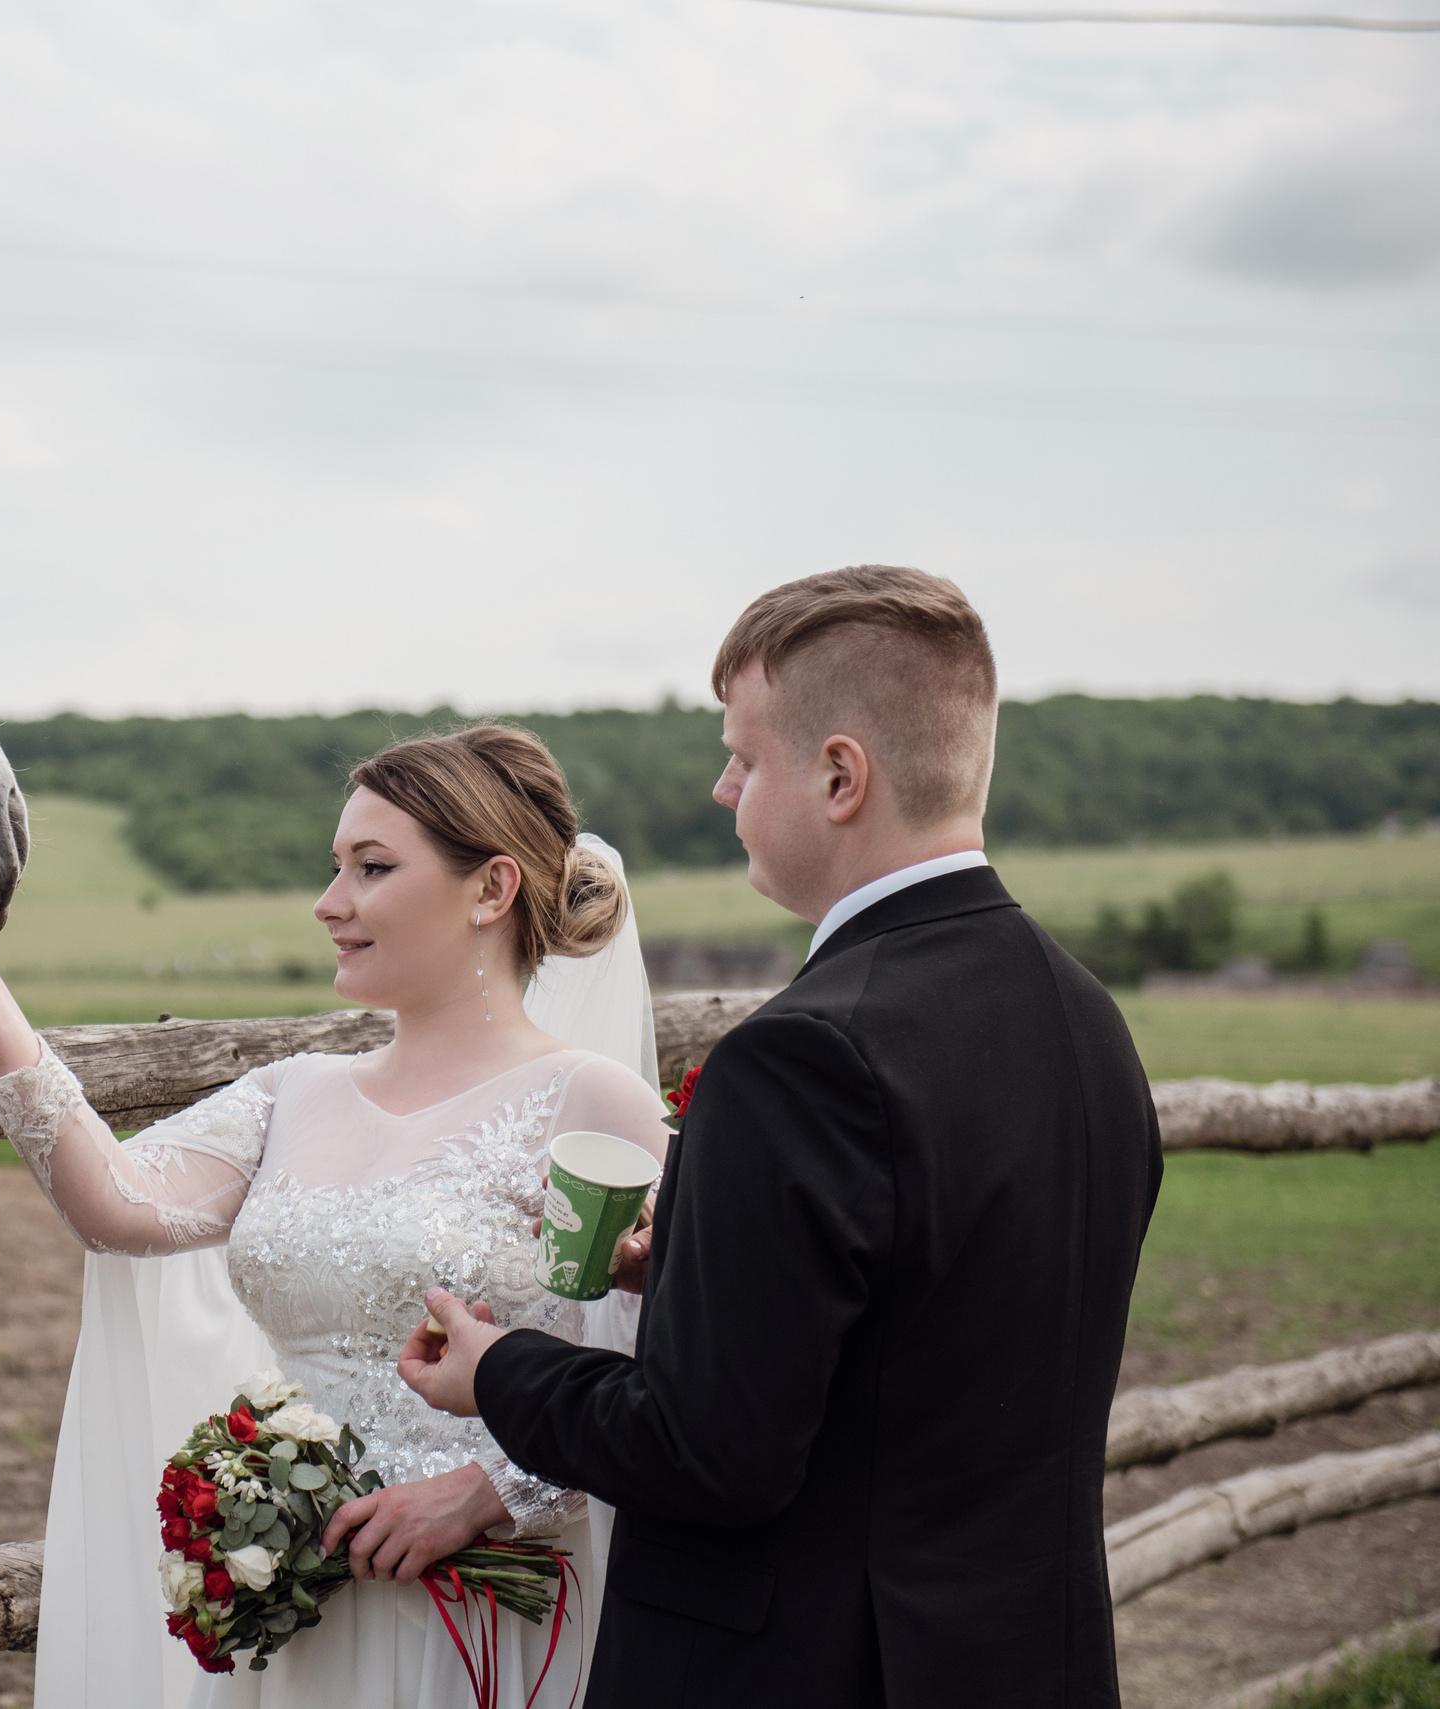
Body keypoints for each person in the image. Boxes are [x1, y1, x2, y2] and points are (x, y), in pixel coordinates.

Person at [399, 567, 1164, 1708]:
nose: (722, 788)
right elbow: (940, 1311)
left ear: (840, 775)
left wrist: (499, 1369)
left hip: (813, 1664)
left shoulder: (804, 1053)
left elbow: (711, 1455)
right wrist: (709, 1264)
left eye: (744, 758)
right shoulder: (1083, 1016)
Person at [0, 725, 674, 1708]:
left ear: (491, 889)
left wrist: (497, 1493)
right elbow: (113, 1204)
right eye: (334, 867)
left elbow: (673, 1378)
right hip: (302, 1622)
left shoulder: (592, 1099)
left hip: (489, 1629)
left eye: (371, 867)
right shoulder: (293, 1092)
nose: (328, 901)